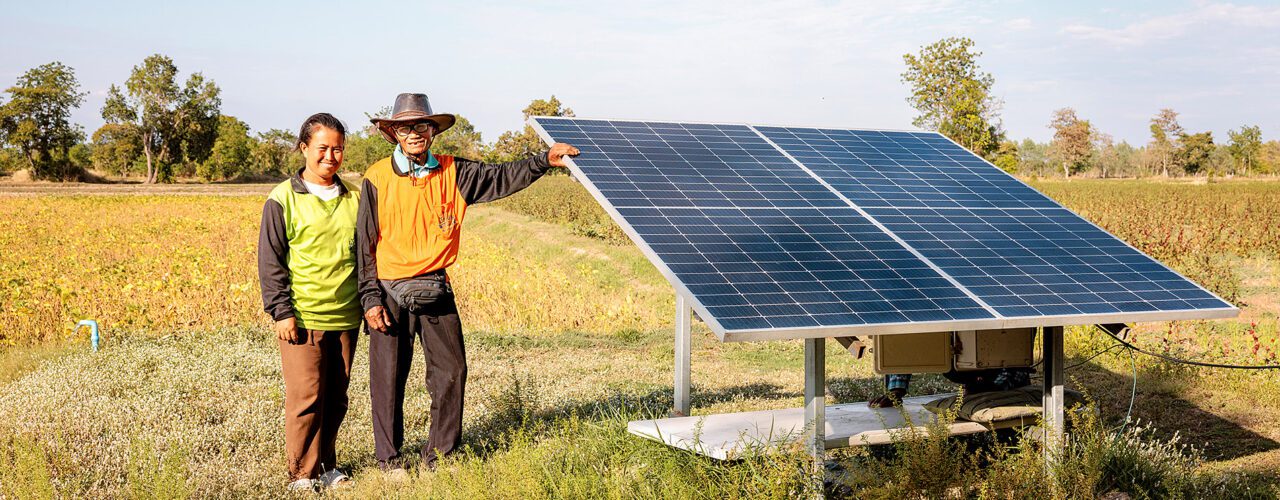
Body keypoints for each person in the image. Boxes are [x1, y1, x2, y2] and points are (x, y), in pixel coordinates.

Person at [357, 93, 579, 473]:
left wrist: (543, 161)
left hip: (435, 286)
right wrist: (370, 298)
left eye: (422, 126)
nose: (415, 133)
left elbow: (502, 176)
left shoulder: (454, 171)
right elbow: (364, 242)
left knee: (451, 371)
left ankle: (440, 455)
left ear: (432, 131)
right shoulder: (376, 177)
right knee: (388, 377)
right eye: (406, 127)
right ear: (394, 133)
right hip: (389, 289)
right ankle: (389, 461)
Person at [257, 113, 361, 491]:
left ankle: (327, 466)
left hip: (346, 316)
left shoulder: (354, 197)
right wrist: (281, 311)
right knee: (306, 398)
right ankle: (302, 474)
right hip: (303, 317)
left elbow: (364, 256)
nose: (331, 156)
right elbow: (271, 261)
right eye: (322, 148)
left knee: (336, 398)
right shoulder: (282, 198)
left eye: (338, 149)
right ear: (304, 148)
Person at [868, 369, 1033, 408]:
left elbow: (1018, 360)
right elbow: (906, 334)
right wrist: (896, 389)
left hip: (1008, 382)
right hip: (963, 372)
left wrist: (995, 387)